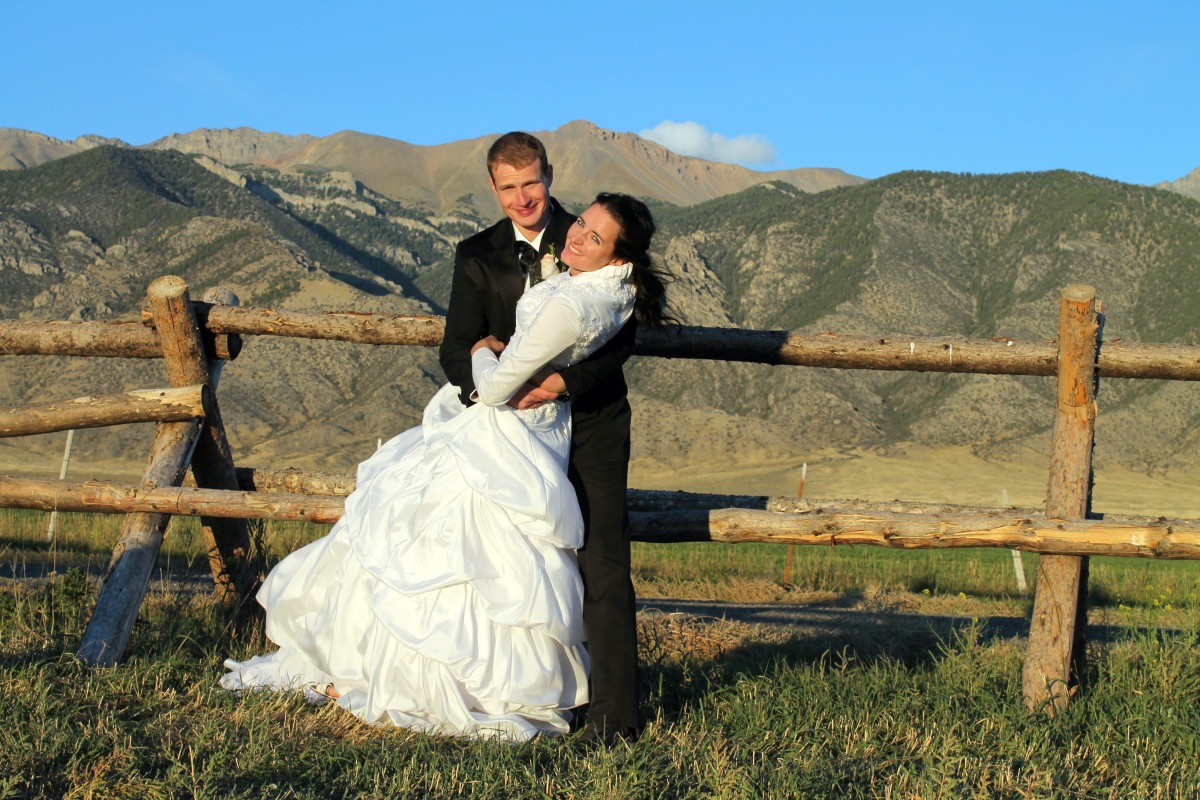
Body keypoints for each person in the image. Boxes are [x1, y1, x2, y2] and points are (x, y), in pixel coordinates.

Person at [221, 189, 672, 741]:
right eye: (581, 223)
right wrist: (507, 360)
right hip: (534, 433)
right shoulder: (580, 276)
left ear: (618, 257)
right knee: (486, 555)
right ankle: (502, 684)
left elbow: (513, 379)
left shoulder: (587, 295)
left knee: (522, 559)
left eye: (594, 236)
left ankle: (580, 709)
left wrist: (492, 353)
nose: (576, 235)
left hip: (540, 428)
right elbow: (490, 342)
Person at [440, 133, 648, 741]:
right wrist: (485, 389)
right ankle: (535, 692)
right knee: (520, 565)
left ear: (549, 176)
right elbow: (458, 344)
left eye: (531, 182)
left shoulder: (592, 237)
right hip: (516, 438)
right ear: (494, 187)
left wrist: (561, 381)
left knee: (602, 564)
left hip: (593, 425)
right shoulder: (475, 253)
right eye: (508, 187)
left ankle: (613, 716)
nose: (522, 197)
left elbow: (623, 340)